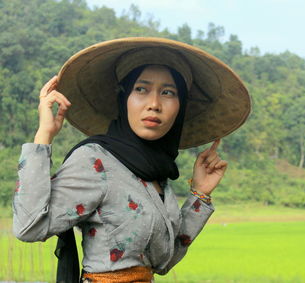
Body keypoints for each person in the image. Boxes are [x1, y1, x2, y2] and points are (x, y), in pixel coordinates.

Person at [13, 37, 250, 282]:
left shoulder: (158, 174)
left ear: (180, 107)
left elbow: (163, 261)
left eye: (168, 92)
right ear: (124, 97)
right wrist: (44, 137)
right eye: (141, 89)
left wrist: (200, 194)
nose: (154, 104)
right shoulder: (96, 161)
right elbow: (29, 226)